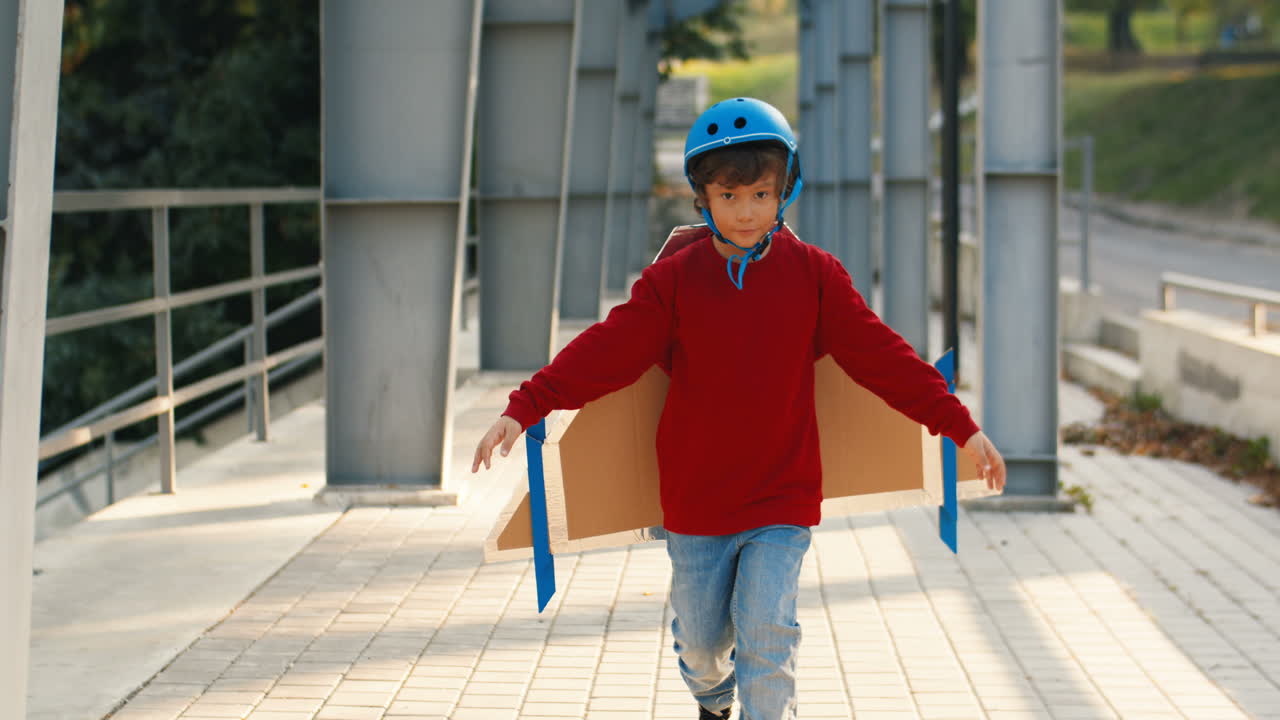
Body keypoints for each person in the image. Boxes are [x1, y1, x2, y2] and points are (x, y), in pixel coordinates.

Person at [472, 97, 1006, 720]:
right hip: (696, 502)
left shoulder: (814, 276)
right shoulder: (673, 282)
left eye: (760, 193)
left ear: (785, 191)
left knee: (768, 636)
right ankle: (713, 697)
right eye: (728, 196)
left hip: (782, 497)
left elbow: (883, 358)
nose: (747, 211)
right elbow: (607, 351)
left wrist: (959, 427)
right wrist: (525, 406)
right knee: (700, 643)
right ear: (702, 199)